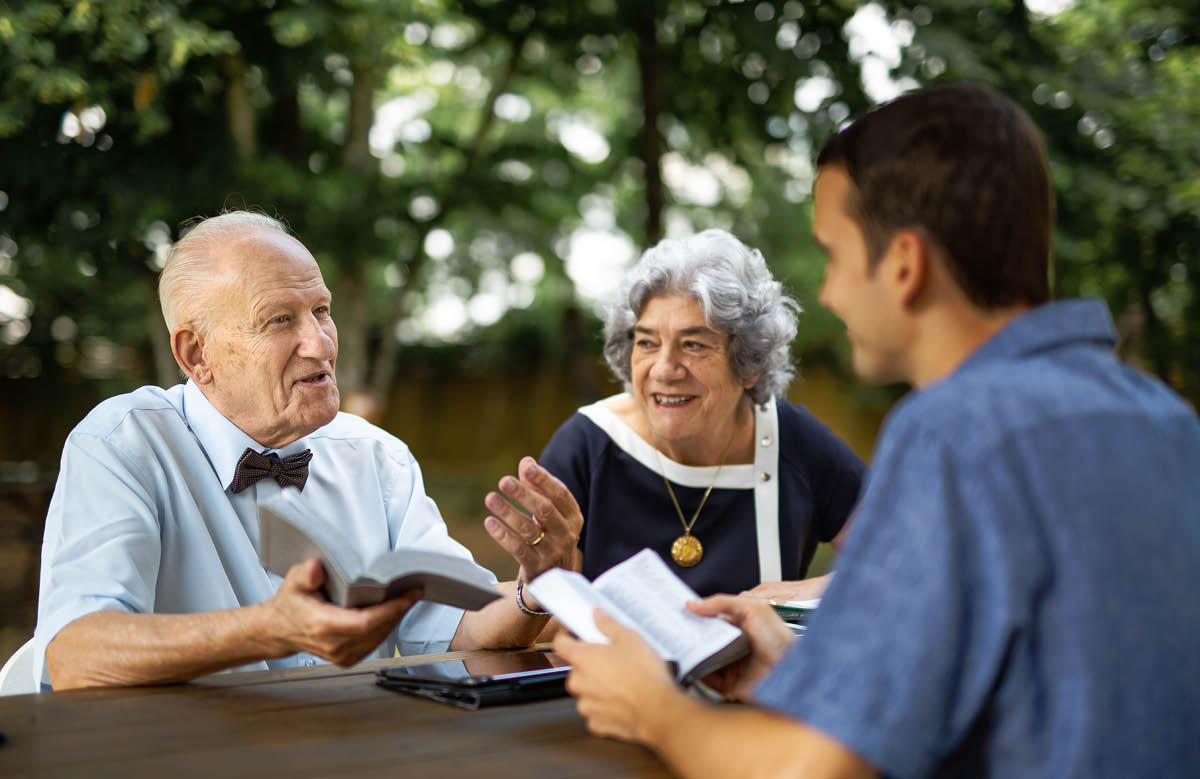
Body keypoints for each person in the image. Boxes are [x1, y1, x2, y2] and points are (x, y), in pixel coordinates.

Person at [551, 82, 1200, 777]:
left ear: (904, 264)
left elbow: (814, 772)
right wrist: (797, 670)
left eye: (833, 254)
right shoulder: (1165, 420)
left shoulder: (955, 433)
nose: (827, 292)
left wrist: (652, 705)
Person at [33, 212, 581, 690]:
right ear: (196, 353)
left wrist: (537, 591)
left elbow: (455, 627)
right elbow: (76, 655)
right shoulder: (123, 443)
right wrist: (267, 630)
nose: (320, 343)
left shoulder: (376, 457)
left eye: (321, 311)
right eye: (280, 320)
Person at [529, 229, 864, 600]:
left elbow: (908, 561)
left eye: (693, 344)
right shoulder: (585, 447)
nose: (664, 369)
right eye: (647, 343)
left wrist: (798, 595)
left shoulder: (793, 440)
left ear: (749, 363)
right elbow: (542, 609)